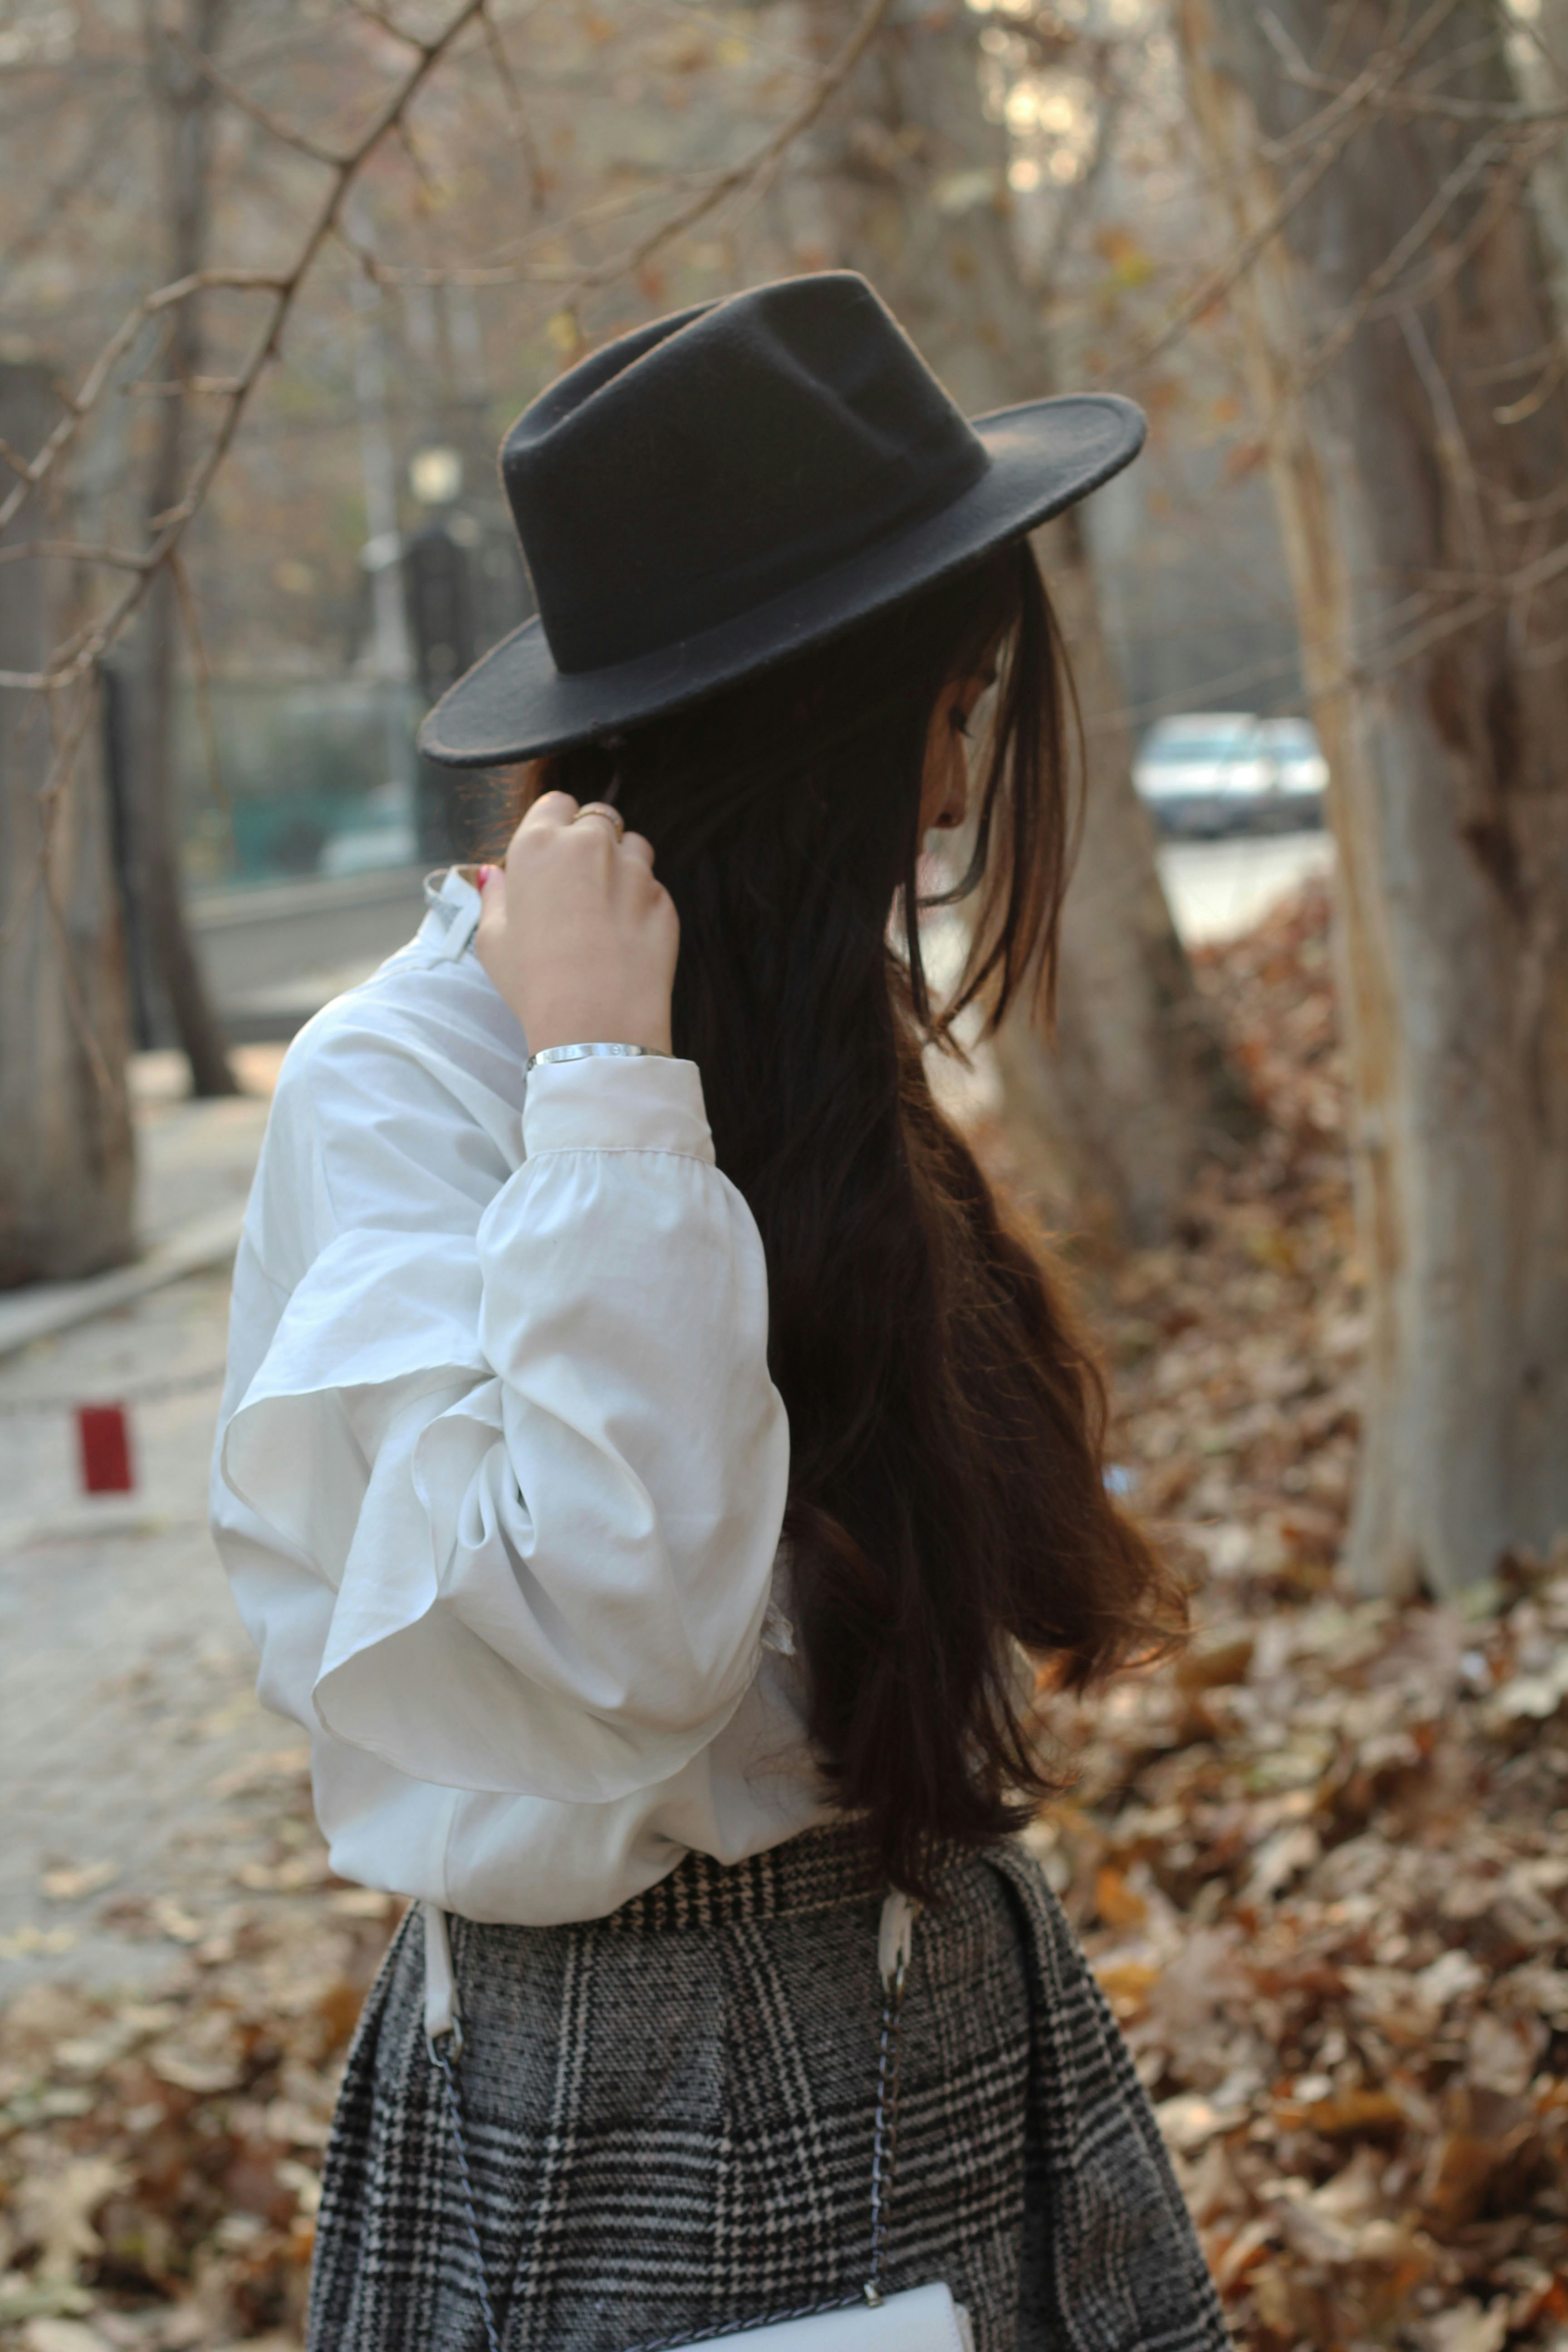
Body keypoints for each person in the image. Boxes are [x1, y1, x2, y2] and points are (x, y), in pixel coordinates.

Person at [211, 273, 1227, 2352]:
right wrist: (600, 1096)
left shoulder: (785, 1027)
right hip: (629, 2094)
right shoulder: (417, 1085)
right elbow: (616, 1638)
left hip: (944, 2019)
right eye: (942, 716)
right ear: (819, 734)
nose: (952, 801)